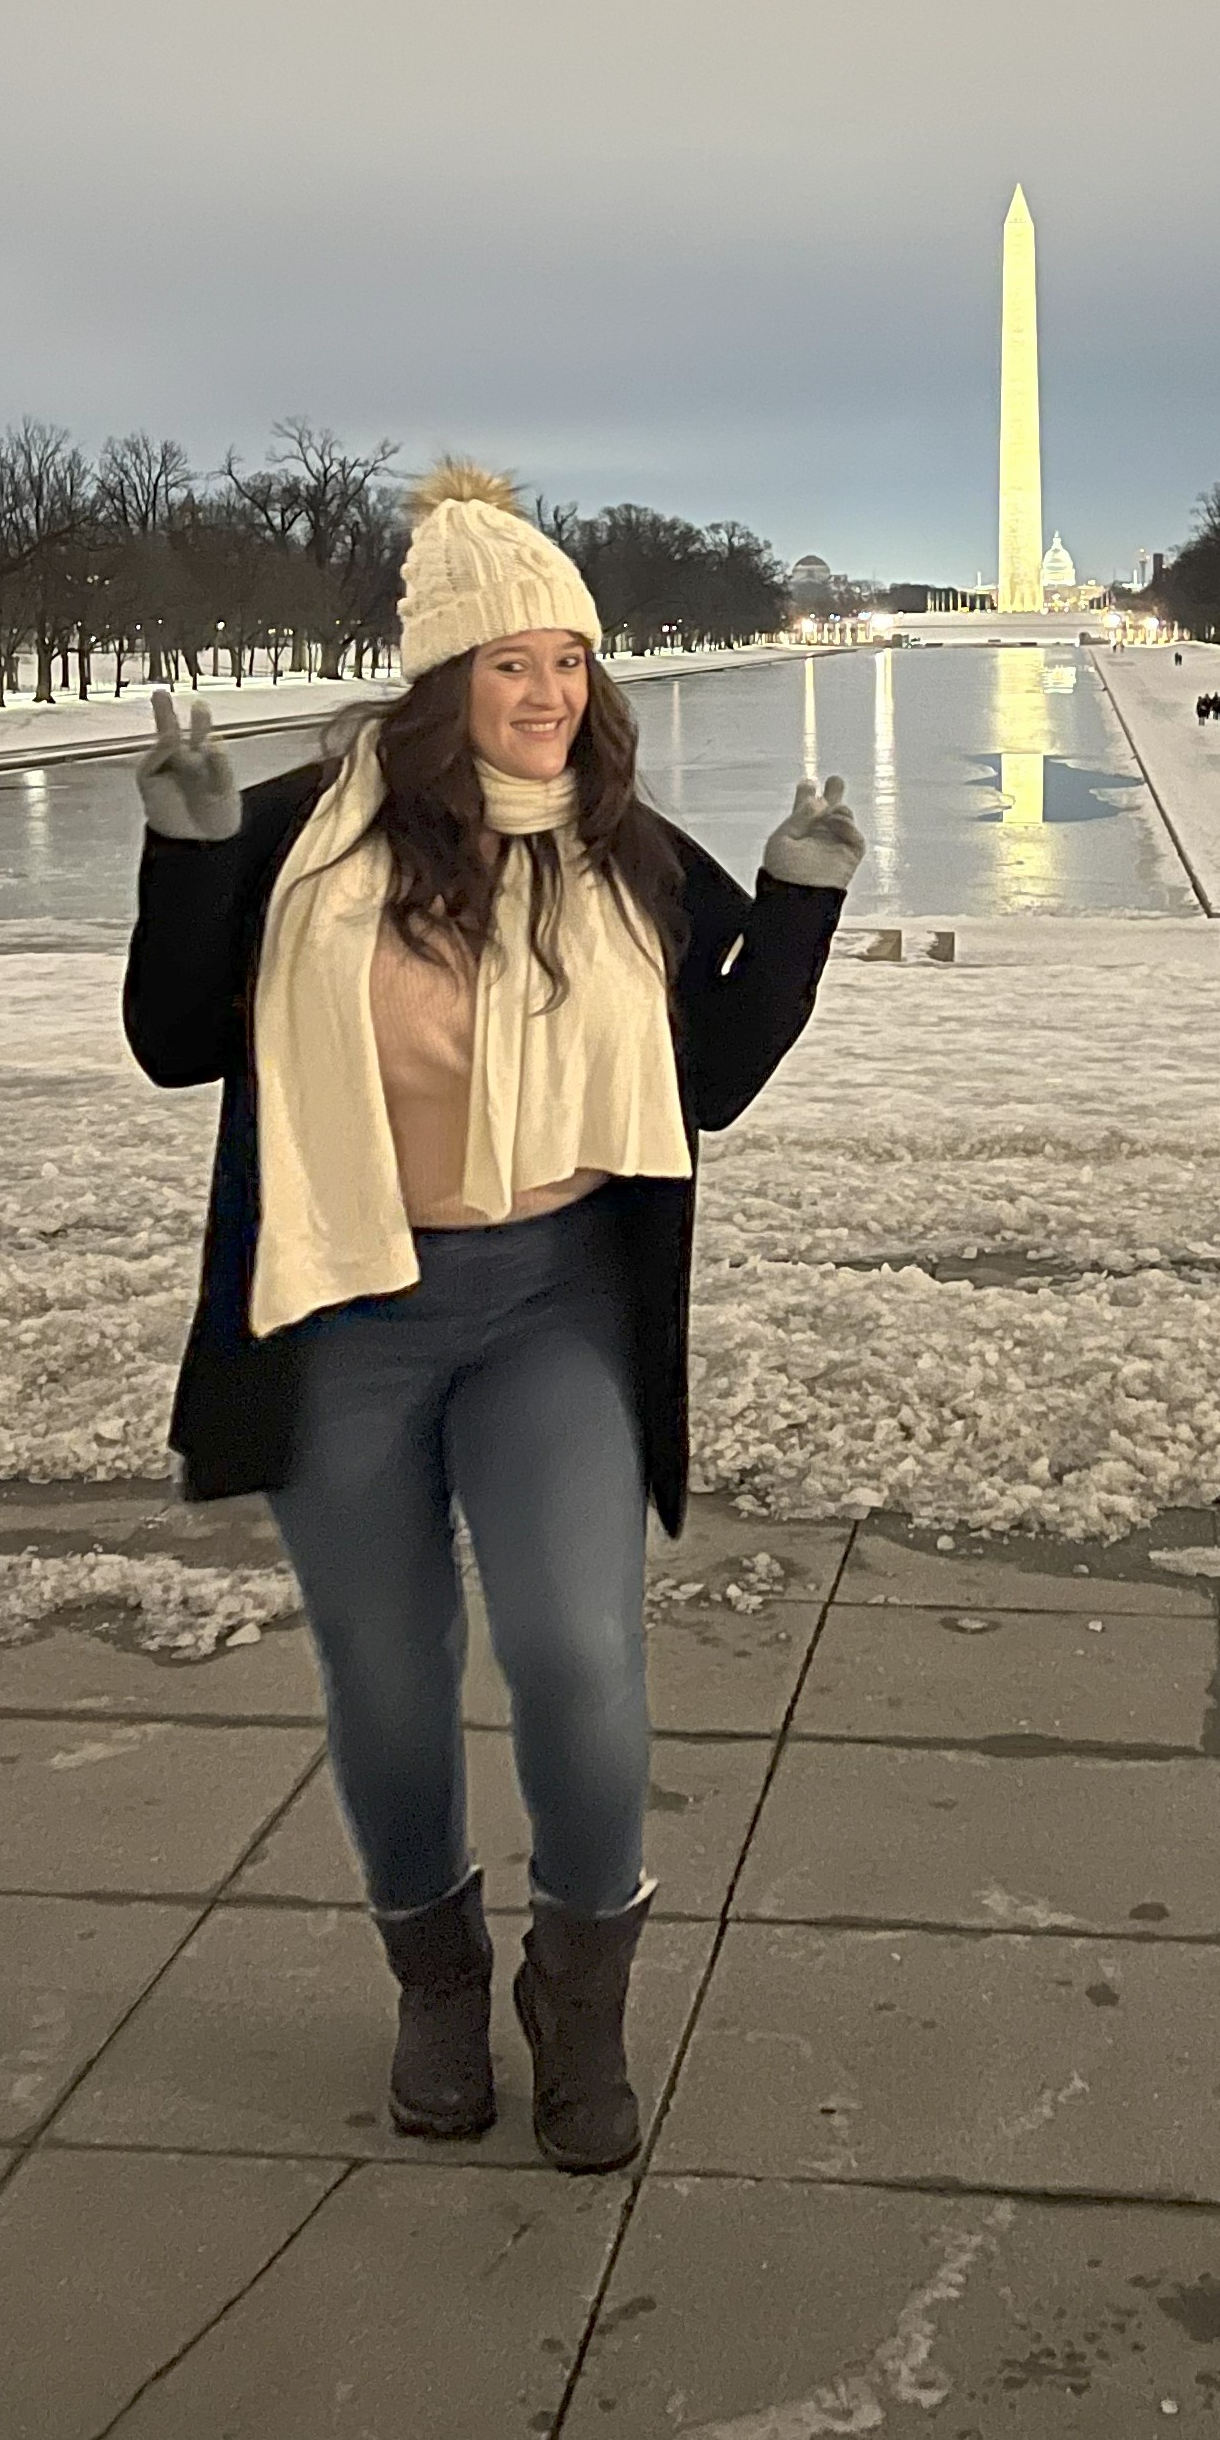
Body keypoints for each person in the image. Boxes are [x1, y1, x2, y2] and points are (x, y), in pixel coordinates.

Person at [122, 462, 863, 2172]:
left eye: (572, 662)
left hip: (551, 1307)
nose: (548, 696)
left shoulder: (629, 856)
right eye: (509, 663)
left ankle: (580, 1998)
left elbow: (713, 1088)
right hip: (348, 1307)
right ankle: (437, 1986)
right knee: (387, 1678)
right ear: (442, 681)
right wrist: (182, 860)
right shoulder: (307, 844)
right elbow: (176, 1042)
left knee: (580, 1658)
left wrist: (803, 907)